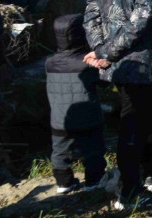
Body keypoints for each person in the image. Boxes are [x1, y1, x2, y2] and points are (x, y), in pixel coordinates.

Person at [83, 0, 152, 209]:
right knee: (136, 123)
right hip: (139, 62)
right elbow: (142, 19)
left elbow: (90, 15)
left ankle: (148, 171)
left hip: (115, 65)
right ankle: (130, 189)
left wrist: (99, 49)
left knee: (134, 119)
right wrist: (107, 52)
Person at [46, 14, 107, 194]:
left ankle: (64, 183)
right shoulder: (86, 63)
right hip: (88, 118)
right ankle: (93, 182)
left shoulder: (49, 62)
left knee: (60, 152)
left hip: (60, 120)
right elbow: (103, 82)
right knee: (93, 150)